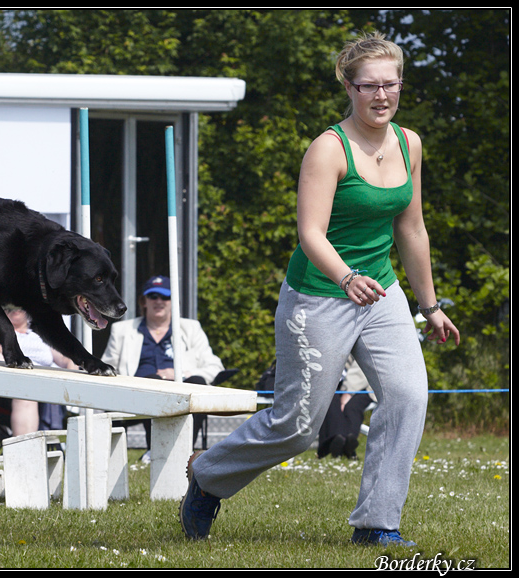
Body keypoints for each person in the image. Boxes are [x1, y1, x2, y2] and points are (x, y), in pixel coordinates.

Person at [179, 31, 459, 548]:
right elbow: (310, 234)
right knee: (297, 426)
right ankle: (207, 476)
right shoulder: (328, 149)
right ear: (348, 87)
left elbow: (411, 228)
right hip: (319, 296)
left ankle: (377, 525)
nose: (381, 96)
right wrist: (345, 277)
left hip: (381, 293)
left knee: (407, 396)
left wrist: (430, 306)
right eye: (369, 86)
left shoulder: (408, 143)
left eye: (390, 85)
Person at [101, 275, 225, 453]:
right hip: (138, 396)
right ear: (144, 301)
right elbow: (107, 367)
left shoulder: (191, 329)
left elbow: (215, 366)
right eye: (153, 296)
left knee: (197, 383)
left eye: (165, 297)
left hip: (182, 392)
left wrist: (180, 374)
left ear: (174, 302)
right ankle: (156, 452)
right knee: (151, 380)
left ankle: (185, 452)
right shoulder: (122, 330)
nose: (159, 301)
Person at [0, 306, 78, 436]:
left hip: (40, 385)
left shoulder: (38, 334)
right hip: (4, 384)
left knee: (26, 390)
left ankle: (23, 451)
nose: (15, 309)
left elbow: (64, 358)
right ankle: (23, 452)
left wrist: (71, 373)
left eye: (20, 306)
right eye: (10, 307)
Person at [317, 356, 374, 460]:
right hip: (336, 385)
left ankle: (344, 443)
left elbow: (360, 369)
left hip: (363, 386)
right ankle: (340, 443)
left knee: (351, 407)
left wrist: (348, 392)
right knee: (330, 401)